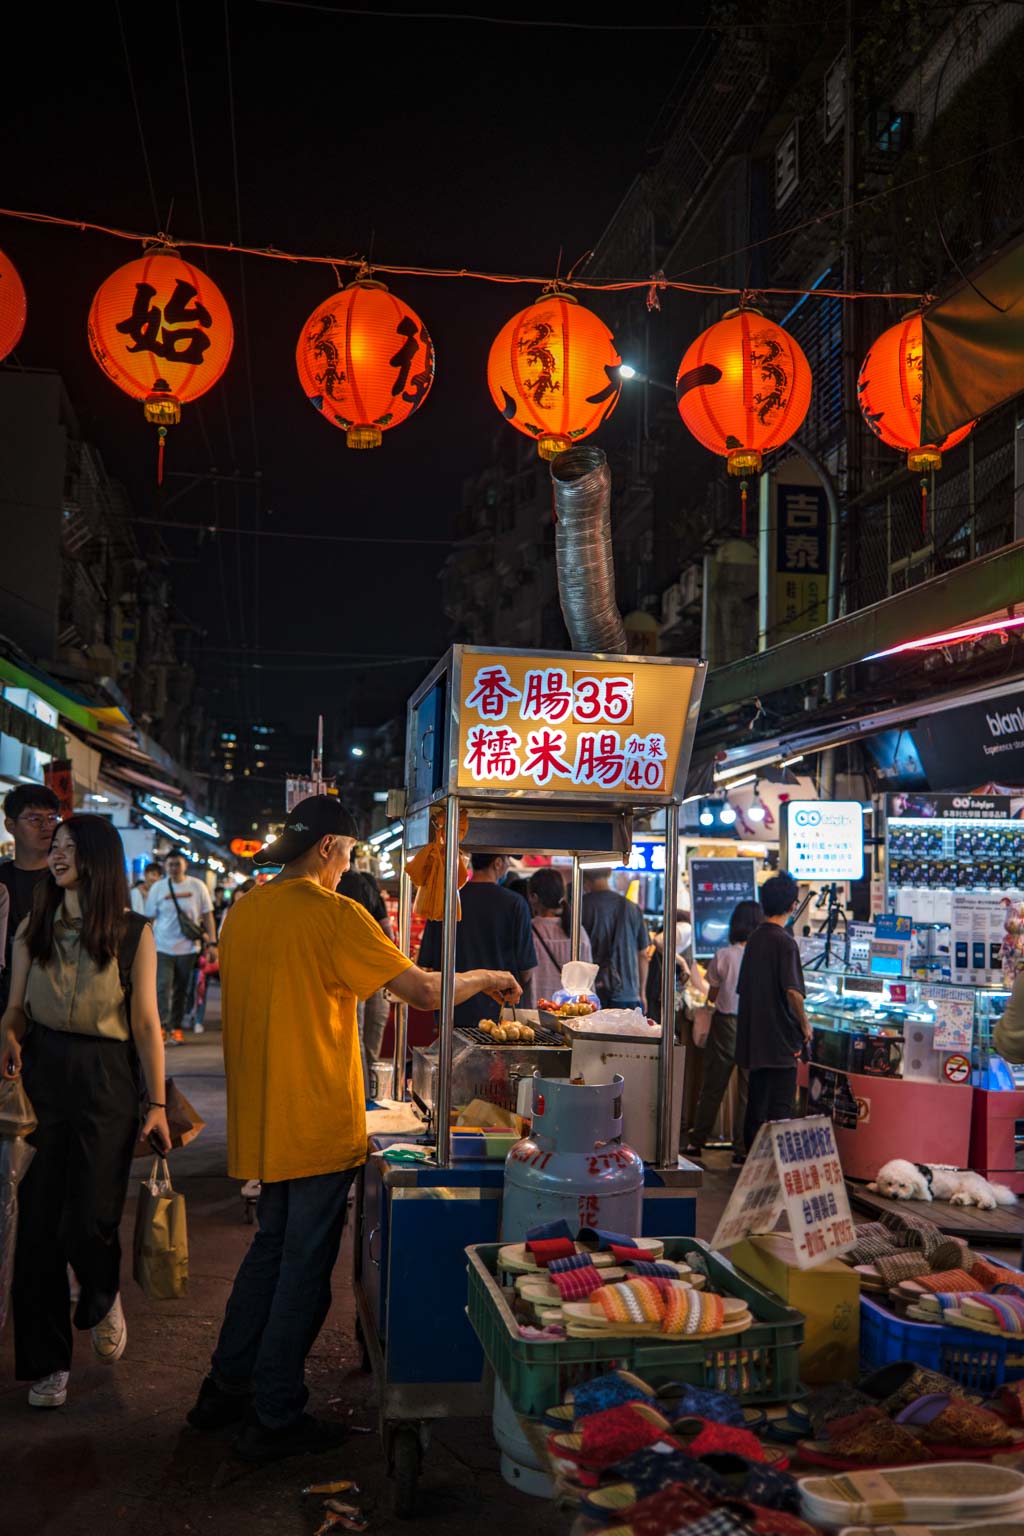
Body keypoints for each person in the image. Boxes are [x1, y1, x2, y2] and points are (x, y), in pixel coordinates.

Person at [187, 796, 521, 1461]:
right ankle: (276, 1412)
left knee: (268, 1253)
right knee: (303, 1269)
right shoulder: (335, 914)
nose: (349, 866)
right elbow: (424, 992)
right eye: (350, 854)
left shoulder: (245, 910)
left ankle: (224, 1389)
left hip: (261, 1115)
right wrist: (488, 976)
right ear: (329, 848)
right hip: (313, 1118)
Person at [0, 814, 169, 1411]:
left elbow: (146, 1024)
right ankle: (48, 1365)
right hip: (43, 1074)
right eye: (56, 846)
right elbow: (16, 1008)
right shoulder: (32, 926)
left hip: (107, 1080)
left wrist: (158, 1103)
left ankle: (99, 1291)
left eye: (70, 847)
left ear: (98, 858)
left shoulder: (132, 933)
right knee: (39, 1223)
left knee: (92, 1215)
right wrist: (10, 1035)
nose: (57, 855)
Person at [735, 871, 811, 1150]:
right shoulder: (785, 942)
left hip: (757, 1039)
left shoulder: (755, 938)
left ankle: (750, 1161)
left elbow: (744, 988)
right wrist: (805, 1024)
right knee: (780, 1110)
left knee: (757, 1104)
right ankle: (773, 1165)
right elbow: (793, 991)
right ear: (793, 905)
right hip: (781, 1043)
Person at [418, 854, 536, 1030]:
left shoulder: (447, 901)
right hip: (499, 1018)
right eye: (506, 861)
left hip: (451, 1011)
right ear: (497, 863)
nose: (507, 867)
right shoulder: (516, 904)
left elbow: (426, 965)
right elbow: (526, 972)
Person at [687, 899, 764, 1166]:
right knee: (747, 1090)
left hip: (725, 1024)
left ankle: (697, 1142)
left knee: (713, 1085)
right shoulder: (761, 954)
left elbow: (713, 992)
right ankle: (742, 1150)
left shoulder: (724, 955)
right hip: (754, 1025)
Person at [145, 849, 217, 1044]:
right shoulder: (158, 888)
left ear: (185, 865)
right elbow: (149, 918)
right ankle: (162, 1026)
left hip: (188, 948)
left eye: (177, 864)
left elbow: (207, 916)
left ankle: (176, 1027)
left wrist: (212, 942)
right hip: (162, 947)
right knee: (162, 987)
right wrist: (144, 944)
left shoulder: (197, 886)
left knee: (182, 990)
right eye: (170, 865)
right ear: (165, 867)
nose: (174, 868)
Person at [0, 785, 61, 1007]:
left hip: (53, 997)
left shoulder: (66, 881)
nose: (46, 827)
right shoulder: (1, 881)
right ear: (10, 825)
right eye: (34, 819)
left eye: (52, 818)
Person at [338, 866, 394, 1096]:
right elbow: (388, 934)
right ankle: (373, 1093)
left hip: (350, 973)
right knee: (370, 1043)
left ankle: (360, 1095)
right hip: (376, 974)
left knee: (356, 1038)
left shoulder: (332, 888)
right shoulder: (368, 884)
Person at [581, 869, 650, 1011]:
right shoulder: (631, 907)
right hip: (627, 992)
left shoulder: (581, 906)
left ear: (585, 881)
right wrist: (641, 992)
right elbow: (643, 954)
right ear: (609, 875)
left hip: (591, 992)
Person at [528, 867, 591, 1003]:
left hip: (535, 1012)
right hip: (571, 1013)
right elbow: (588, 982)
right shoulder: (578, 932)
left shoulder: (529, 931)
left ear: (534, 897)